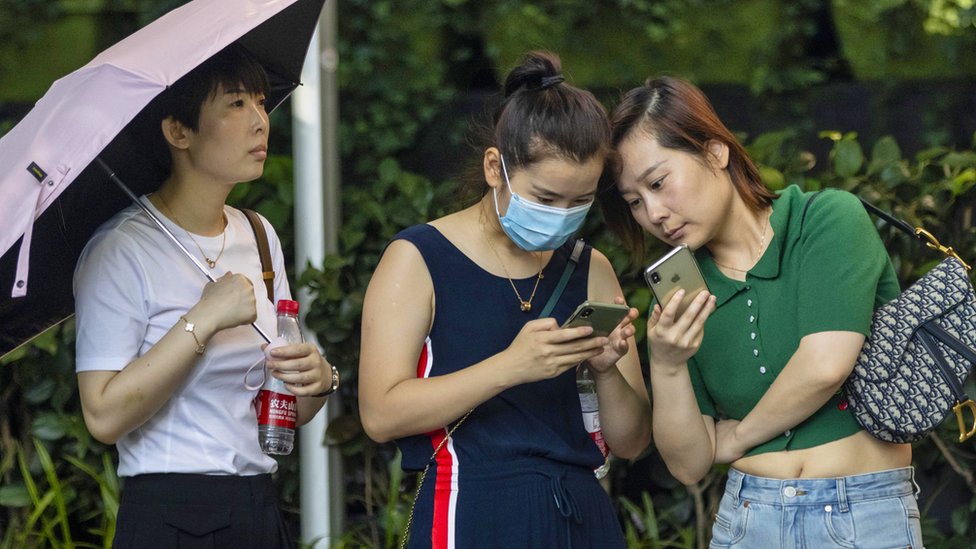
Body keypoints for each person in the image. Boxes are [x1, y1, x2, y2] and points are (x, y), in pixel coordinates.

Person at [599, 75, 922, 548]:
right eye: (635, 202)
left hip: (864, 512)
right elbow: (689, 464)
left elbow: (825, 364)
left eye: (658, 183)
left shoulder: (826, 219)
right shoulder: (682, 291)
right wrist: (667, 365)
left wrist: (734, 438)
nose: (654, 213)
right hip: (748, 519)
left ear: (715, 152)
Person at [359, 51, 652, 549]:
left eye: (580, 201)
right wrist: (511, 366)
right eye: (545, 197)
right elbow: (381, 414)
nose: (562, 215)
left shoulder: (590, 267)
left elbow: (631, 440)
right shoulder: (418, 257)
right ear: (496, 167)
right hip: (470, 505)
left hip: (581, 511)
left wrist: (606, 371)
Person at [73, 44, 335, 548]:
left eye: (260, 102)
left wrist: (318, 381)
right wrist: (202, 319)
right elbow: (103, 415)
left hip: (259, 504)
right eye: (236, 104)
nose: (261, 121)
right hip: (172, 512)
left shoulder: (258, 235)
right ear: (179, 132)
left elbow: (286, 407)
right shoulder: (121, 248)